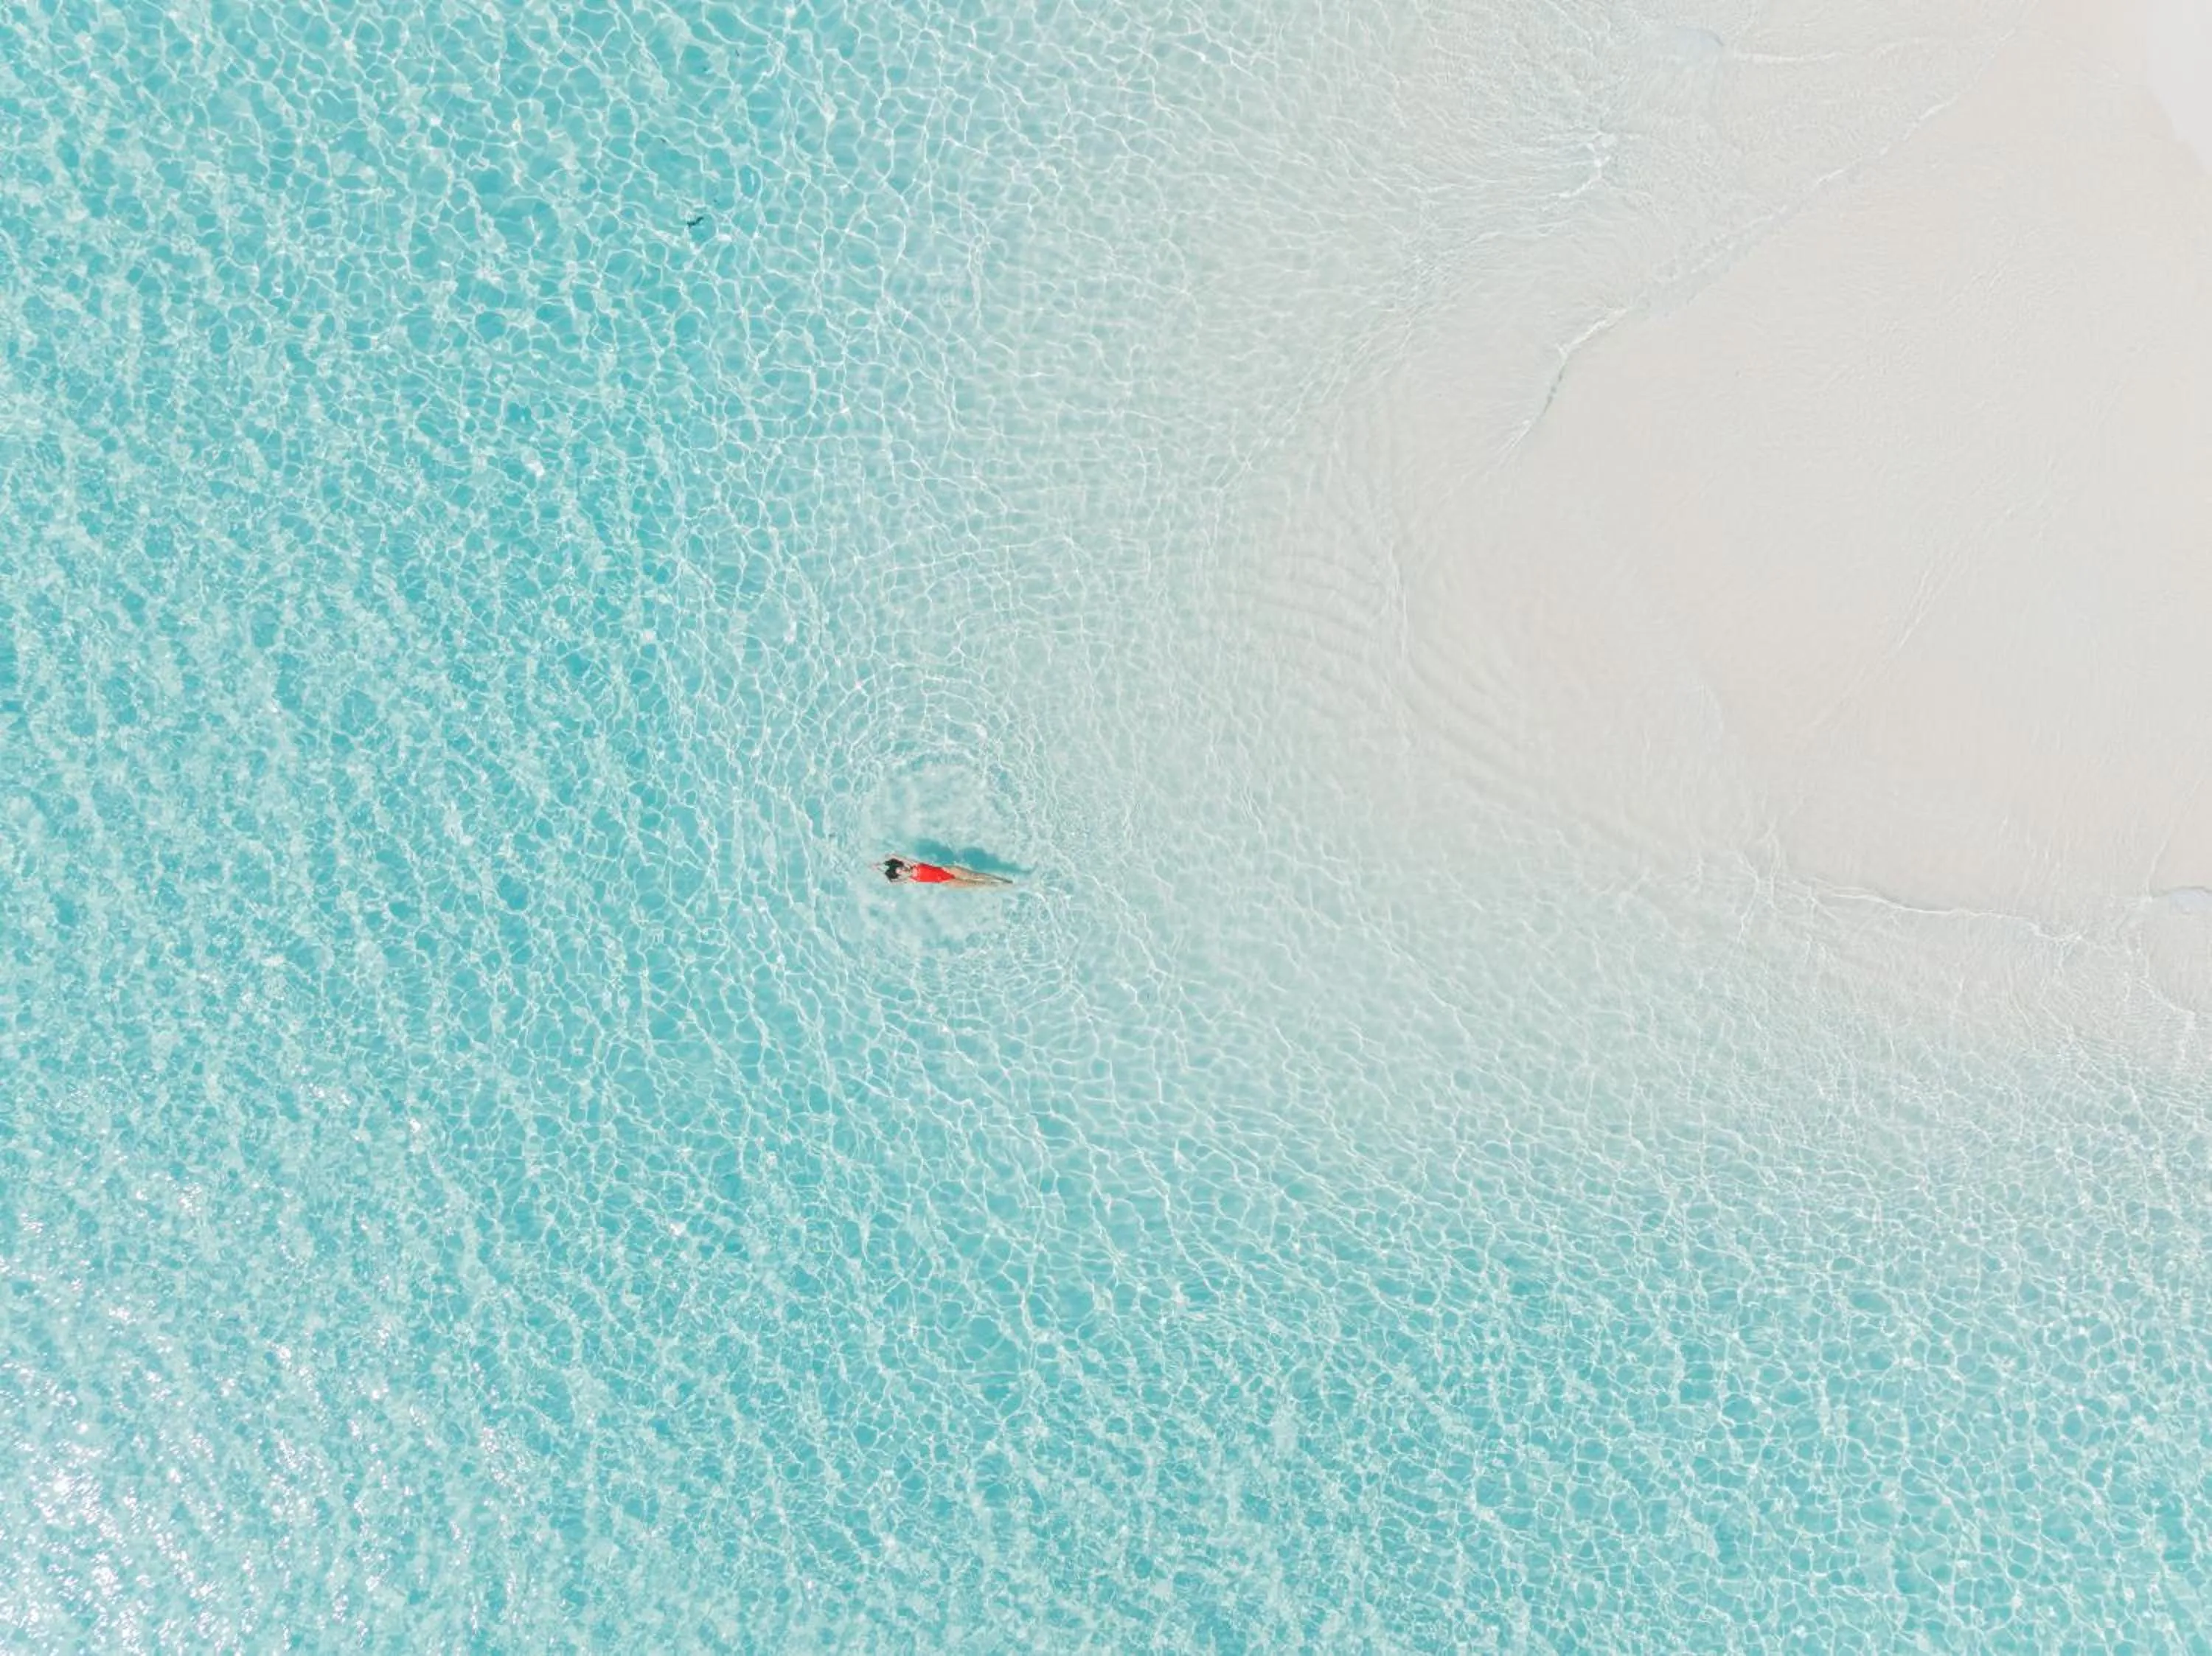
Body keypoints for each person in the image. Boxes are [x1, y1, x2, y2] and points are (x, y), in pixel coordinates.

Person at [878, 856, 1010, 888]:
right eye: (900, 871)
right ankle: (1000, 886)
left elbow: (897, 856)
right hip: (947, 881)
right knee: (975, 885)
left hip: (948, 870)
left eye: (901, 867)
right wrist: (881, 871)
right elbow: (892, 882)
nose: (903, 869)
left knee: (975, 876)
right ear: (900, 874)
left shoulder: (914, 865)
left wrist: (882, 863)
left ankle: (1003, 880)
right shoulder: (911, 879)